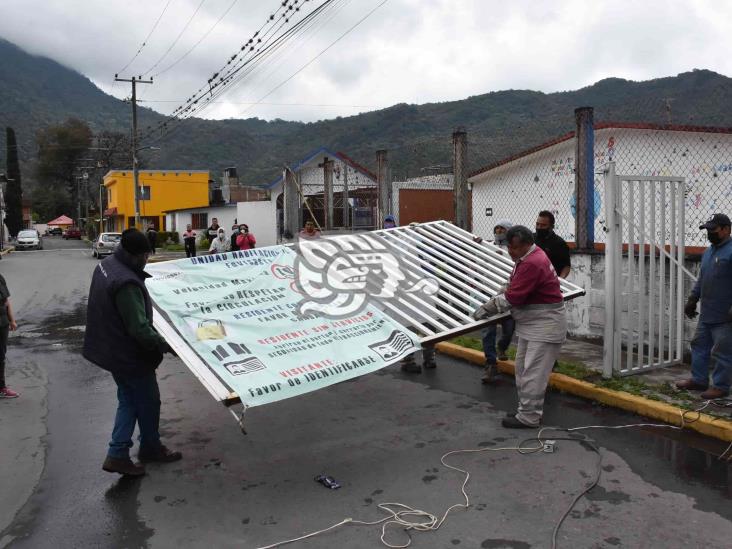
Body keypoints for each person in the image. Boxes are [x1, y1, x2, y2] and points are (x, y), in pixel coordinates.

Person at [83, 229, 181, 476]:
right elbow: (139, 329)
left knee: (129, 399)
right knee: (148, 402)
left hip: (111, 348)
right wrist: (168, 346)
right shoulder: (126, 282)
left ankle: (129, 450)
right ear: (134, 255)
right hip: (128, 355)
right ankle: (137, 450)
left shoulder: (107, 264)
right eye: (145, 256)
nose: (147, 260)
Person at [473, 225, 566, 429]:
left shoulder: (533, 262)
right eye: (508, 247)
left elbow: (514, 296)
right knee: (523, 369)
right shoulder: (525, 258)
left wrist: (490, 306)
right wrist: (498, 295)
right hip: (532, 324)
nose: (510, 252)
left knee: (533, 373)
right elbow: (512, 284)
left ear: (526, 244)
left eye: (513, 248)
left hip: (545, 326)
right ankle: (525, 410)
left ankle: (529, 417)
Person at [676, 213, 732, 399]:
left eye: (713, 230)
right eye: (707, 230)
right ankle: (699, 380)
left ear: (726, 229)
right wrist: (692, 299)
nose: (709, 233)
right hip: (707, 313)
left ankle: (721, 386)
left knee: (722, 352)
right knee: (699, 345)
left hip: (725, 315)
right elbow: (702, 278)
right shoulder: (709, 252)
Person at [479, 220, 516, 384]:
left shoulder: (514, 250)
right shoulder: (486, 246)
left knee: (509, 329)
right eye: (497, 228)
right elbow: (479, 265)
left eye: (503, 229)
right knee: (488, 331)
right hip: (488, 294)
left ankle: (502, 346)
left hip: (507, 295)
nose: (499, 231)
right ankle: (490, 364)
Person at [534, 211, 571, 279]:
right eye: (537, 224)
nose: (539, 227)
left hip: (550, 282)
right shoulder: (530, 239)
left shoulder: (559, 243)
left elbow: (566, 266)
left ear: (551, 226)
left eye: (543, 225)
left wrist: (560, 280)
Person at [0, 273, 19, 398]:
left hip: (2, 322)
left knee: (1, 355)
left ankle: (1, 387)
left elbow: (6, 301)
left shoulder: (0, 278)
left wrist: (12, 320)